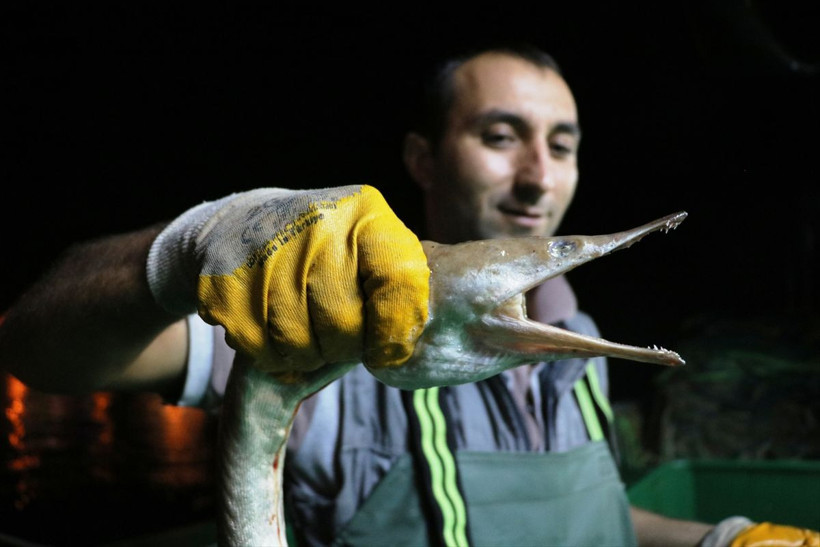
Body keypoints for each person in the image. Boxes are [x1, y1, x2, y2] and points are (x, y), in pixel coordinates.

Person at [1, 43, 816, 547]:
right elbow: (35, 347)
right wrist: (187, 249)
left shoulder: (577, 335)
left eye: (561, 145)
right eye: (500, 136)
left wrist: (723, 538)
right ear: (424, 159)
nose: (538, 175)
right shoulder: (317, 314)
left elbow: (583, 521)